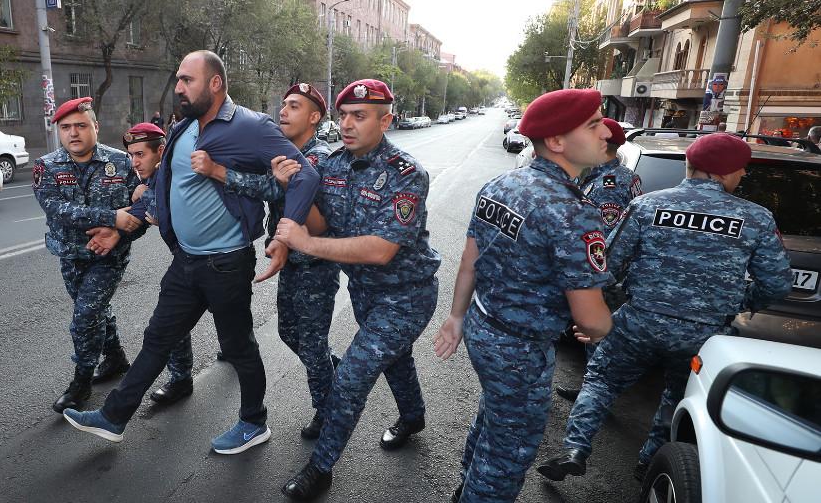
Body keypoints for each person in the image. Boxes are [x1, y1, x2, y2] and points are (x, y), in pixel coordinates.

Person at [62, 50, 319, 455]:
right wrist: (121, 226)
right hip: (186, 261)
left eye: (187, 80)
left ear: (215, 83)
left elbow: (305, 176)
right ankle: (113, 417)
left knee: (238, 347)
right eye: (179, 79)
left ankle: (254, 422)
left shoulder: (250, 127)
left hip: (226, 263)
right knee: (157, 339)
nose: (179, 87)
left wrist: (285, 236)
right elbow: (165, 187)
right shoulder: (182, 128)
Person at [537, 132, 792, 484]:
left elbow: (606, 266)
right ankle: (650, 463)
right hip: (704, 334)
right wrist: (738, 303)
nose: (743, 175)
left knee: (601, 381)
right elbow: (777, 284)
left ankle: (574, 450)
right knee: (678, 393)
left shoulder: (647, 206)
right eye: (741, 169)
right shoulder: (756, 218)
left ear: (690, 165)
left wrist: (605, 307)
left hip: (639, 321)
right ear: (723, 172)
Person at [433, 89, 615, 503]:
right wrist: (602, 328)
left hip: (483, 326)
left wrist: (457, 317)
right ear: (557, 141)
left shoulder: (502, 184)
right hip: (521, 350)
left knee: (494, 419)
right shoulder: (572, 211)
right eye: (593, 125)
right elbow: (591, 318)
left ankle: (466, 486)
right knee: (508, 453)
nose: (606, 132)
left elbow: (469, 262)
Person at [274, 79, 442, 501]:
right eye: (344, 115)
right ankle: (413, 416)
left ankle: (320, 468)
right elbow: (320, 224)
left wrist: (305, 244)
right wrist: (290, 190)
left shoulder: (406, 174)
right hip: (365, 293)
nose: (347, 124)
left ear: (385, 121)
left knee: (351, 377)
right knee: (396, 361)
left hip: (407, 296)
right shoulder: (332, 165)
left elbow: (381, 250)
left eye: (360, 116)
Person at [199, 82, 340, 440]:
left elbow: (275, 188)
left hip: (316, 263)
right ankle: (333, 369)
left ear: (314, 117)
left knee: (311, 343)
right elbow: (268, 182)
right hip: (290, 261)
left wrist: (218, 171)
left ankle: (329, 414)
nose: (283, 111)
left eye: (294, 106)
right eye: (284, 104)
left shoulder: (319, 156)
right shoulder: (280, 150)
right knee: (289, 332)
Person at [32, 97, 145, 413]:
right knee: (96, 310)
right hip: (70, 255)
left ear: (95, 126)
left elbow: (142, 212)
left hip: (110, 257)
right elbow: (58, 210)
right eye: (65, 127)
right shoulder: (46, 166)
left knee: (85, 316)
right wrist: (112, 217)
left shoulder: (122, 163)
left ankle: (81, 382)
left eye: (81, 125)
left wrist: (120, 231)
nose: (73, 133)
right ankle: (116, 357)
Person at [555, 117, 642, 401]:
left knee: (595, 337)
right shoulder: (614, 175)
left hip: (598, 272)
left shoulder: (609, 184)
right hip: (602, 271)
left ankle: (593, 395)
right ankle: (594, 389)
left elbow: (599, 238)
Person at [120, 123, 195, 407]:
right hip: (185, 261)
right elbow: (140, 212)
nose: (134, 162)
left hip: (214, 261)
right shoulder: (154, 177)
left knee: (234, 329)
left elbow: (160, 210)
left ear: (161, 152)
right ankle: (181, 378)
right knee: (172, 321)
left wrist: (145, 194)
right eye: (131, 155)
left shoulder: (173, 173)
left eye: (140, 154)